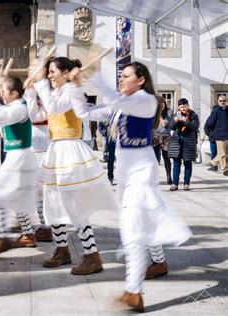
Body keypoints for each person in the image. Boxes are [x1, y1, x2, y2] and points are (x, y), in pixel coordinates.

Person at [74, 61, 191, 311]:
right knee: (139, 224)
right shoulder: (121, 106)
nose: (121, 79)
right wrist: (74, 86)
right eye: (120, 76)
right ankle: (156, 265)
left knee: (133, 228)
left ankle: (133, 291)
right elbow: (85, 112)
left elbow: (116, 99)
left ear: (140, 80)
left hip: (142, 169)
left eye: (126, 76)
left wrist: (94, 76)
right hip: (127, 172)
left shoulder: (147, 100)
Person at [33, 57, 118, 274]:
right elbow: (37, 115)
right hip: (56, 150)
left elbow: (54, 107)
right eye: (48, 72)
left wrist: (39, 81)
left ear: (65, 72)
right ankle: (62, 250)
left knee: (73, 205)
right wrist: (30, 89)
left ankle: (92, 255)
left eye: (52, 72)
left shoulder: (72, 90)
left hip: (69, 150)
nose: (50, 76)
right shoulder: (57, 92)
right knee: (51, 203)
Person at [0, 75, 39, 256]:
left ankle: (4, 236)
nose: (2, 93)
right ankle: (28, 234)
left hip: (19, 158)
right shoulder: (15, 105)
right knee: (18, 200)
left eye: (5, 91)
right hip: (19, 157)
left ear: (14, 93)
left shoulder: (20, 108)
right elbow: (0, 112)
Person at [24, 84, 53, 242]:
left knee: (41, 192)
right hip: (37, 148)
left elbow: (32, 116)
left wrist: (30, 92)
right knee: (38, 193)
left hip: (43, 150)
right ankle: (45, 226)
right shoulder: (43, 100)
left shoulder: (48, 102)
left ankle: (46, 226)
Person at [168, 98, 200, 191]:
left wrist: (185, 121)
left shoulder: (193, 115)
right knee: (176, 163)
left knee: (187, 163)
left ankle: (186, 183)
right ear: (178, 107)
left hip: (189, 142)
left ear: (188, 106)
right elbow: (171, 127)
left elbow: (194, 127)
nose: (183, 108)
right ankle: (175, 184)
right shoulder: (175, 115)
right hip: (176, 142)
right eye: (181, 107)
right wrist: (175, 121)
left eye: (185, 106)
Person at [205, 95, 228, 176]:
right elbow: (209, 123)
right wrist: (212, 133)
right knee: (222, 154)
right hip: (220, 136)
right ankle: (225, 169)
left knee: (226, 153)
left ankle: (213, 162)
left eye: (224, 101)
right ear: (218, 102)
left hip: (227, 135)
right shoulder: (216, 111)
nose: (222, 102)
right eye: (221, 101)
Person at [153, 96, 173, 185]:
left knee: (166, 158)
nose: (161, 106)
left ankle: (169, 176)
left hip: (165, 136)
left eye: (162, 104)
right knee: (155, 159)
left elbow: (165, 124)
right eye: (159, 104)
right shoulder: (152, 113)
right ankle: (155, 178)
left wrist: (159, 114)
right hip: (155, 137)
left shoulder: (169, 112)